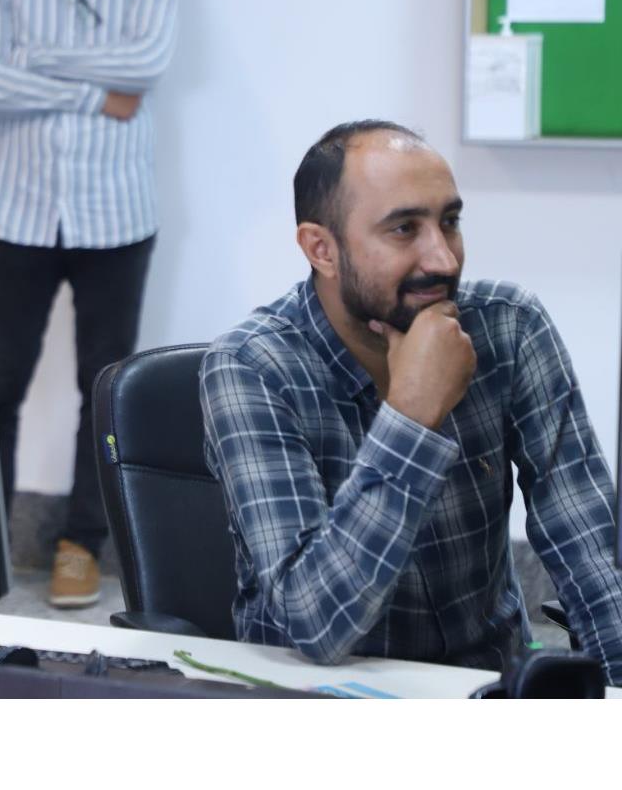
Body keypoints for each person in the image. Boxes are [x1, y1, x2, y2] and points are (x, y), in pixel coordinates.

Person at [200, 120, 622, 682]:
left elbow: (589, 549)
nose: (443, 259)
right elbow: (316, 624)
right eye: (404, 229)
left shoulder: (509, 326)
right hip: (326, 697)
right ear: (321, 249)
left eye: (450, 222)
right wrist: (411, 417)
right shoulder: (252, 367)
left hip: (485, 689)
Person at [0, 0, 178, 606]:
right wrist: (95, 88)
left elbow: (146, 64)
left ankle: (82, 544)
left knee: (105, 388)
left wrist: (35, 58)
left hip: (117, 216)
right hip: (19, 215)